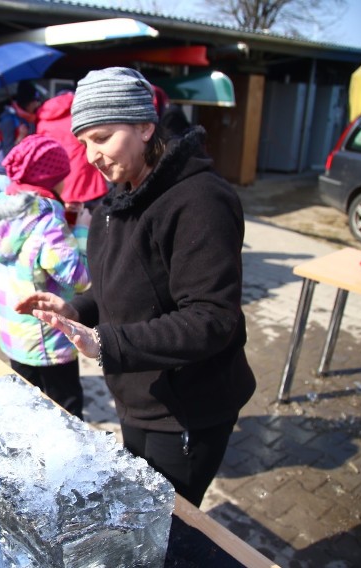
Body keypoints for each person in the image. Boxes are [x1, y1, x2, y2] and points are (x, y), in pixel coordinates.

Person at [15, 67, 256, 507]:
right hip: (136, 395)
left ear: (146, 126)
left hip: (186, 407)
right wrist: (79, 311)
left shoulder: (199, 201)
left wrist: (105, 341)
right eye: (83, 141)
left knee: (164, 522)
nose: (90, 156)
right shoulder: (118, 196)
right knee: (136, 510)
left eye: (102, 137)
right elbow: (124, 287)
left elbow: (211, 318)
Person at [0, 134, 91, 418]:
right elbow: (80, 278)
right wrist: (81, 230)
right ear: (52, 178)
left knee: (28, 410)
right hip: (49, 340)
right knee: (65, 413)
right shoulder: (47, 225)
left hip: (14, 334)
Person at [35, 90, 109, 212]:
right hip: (85, 180)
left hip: (56, 181)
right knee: (89, 222)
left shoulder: (43, 119)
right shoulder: (81, 116)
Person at [0, 80, 41, 193]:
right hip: (6, 175)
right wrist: (20, 137)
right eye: (34, 101)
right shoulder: (8, 120)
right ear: (27, 102)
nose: (37, 105)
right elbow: (7, 154)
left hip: (22, 172)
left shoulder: (28, 119)